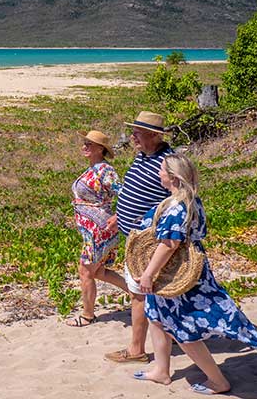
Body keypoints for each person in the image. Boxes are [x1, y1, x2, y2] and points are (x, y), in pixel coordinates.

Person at [132, 153, 257, 394]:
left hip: (179, 274)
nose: (158, 173)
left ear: (172, 176)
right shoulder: (190, 199)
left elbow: (169, 245)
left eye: (161, 170)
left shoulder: (177, 206)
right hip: (180, 270)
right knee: (155, 316)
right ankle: (161, 371)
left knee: (184, 329)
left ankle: (218, 381)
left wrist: (148, 274)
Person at [105, 111, 175, 363]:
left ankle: (136, 350)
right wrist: (119, 216)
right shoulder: (143, 156)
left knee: (139, 294)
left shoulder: (168, 162)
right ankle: (163, 338)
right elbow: (135, 191)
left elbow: (177, 198)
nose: (132, 136)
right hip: (134, 238)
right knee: (146, 293)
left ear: (155, 135)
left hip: (149, 243)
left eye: (138, 132)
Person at [66, 130, 129, 327]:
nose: (84, 147)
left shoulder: (104, 171)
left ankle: (87, 315)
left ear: (100, 149)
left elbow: (124, 194)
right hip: (92, 228)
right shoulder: (92, 169)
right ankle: (140, 295)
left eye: (89, 144)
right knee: (98, 272)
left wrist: (119, 215)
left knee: (85, 271)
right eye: (85, 143)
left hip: (100, 228)